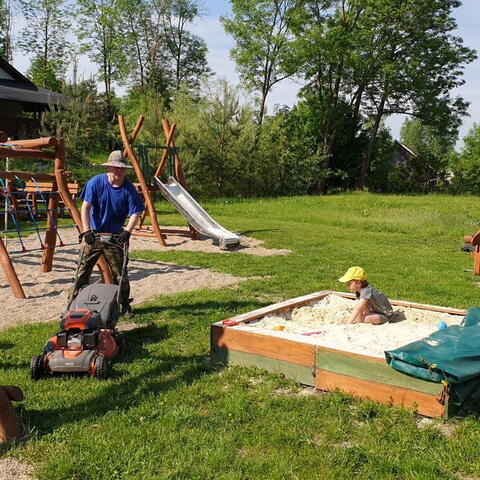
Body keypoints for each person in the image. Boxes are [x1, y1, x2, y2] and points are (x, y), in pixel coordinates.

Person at [68, 150, 145, 317]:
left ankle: (125, 305)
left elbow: (136, 212)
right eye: (115, 168)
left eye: (121, 168)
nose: (118, 171)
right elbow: (86, 207)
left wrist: (128, 232)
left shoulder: (129, 188)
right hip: (94, 234)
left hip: (116, 236)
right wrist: (86, 230)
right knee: (82, 270)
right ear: (109, 168)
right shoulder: (95, 183)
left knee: (120, 272)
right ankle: (71, 304)